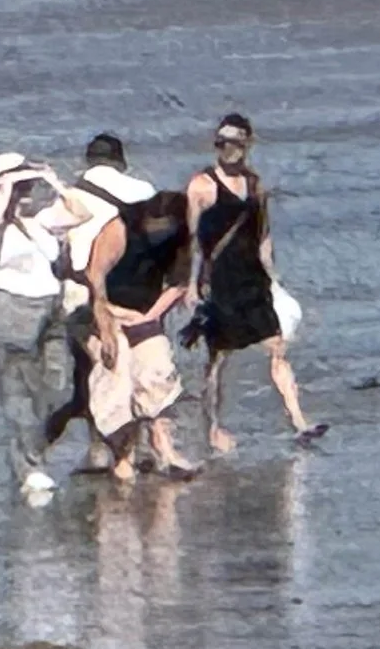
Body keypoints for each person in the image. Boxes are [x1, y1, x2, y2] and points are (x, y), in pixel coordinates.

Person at [185, 114, 324, 454]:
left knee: (277, 347)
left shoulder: (255, 184)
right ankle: (213, 429)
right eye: (221, 142)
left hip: (253, 280)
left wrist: (273, 277)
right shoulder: (201, 186)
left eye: (234, 142)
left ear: (247, 144)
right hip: (220, 282)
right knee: (219, 358)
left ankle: (298, 421)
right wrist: (190, 284)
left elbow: (263, 235)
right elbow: (189, 240)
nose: (227, 149)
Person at [41, 133, 155, 470]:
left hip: (79, 297)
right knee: (132, 370)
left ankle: (100, 447)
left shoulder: (68, 199)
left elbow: (55, 256)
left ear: (88, 161)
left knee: (90, 371)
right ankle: (137, 446)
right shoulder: (144, 191)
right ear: (121, 162)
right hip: (133, 296)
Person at [0, 152, 74, 498]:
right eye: (24, 185)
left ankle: (31, 453)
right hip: (12, 309)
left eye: (28, 184)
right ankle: (30, 468)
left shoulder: (42, 219)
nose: (28, 190)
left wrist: (54, 181)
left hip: (52, 308)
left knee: (58, 389)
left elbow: (79, 213)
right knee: (18, 392)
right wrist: (6, 189)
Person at [82, 189, 200, 482]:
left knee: (158, 374)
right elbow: (94, 276)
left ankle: (165, 449)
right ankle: (123, 457)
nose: (159, 233)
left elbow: (178, 283)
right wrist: (107, 319)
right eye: (155, 225)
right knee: (118, 382)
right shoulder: (121, 226)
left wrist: (150, 317)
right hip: (105, 310)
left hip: (145, 312)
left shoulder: (182, 235)